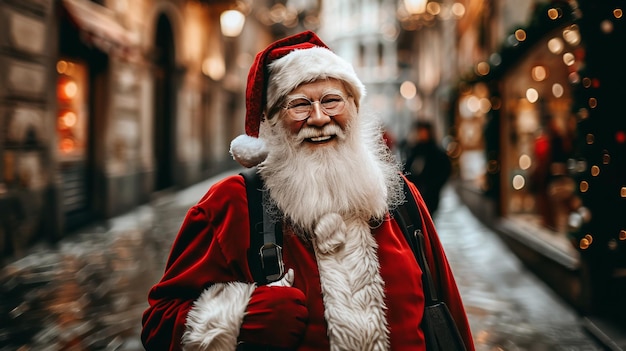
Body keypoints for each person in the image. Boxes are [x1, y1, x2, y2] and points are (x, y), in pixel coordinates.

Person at [141, 31, 474, 351]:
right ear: (272, 122)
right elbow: (159, 324)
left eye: (332, 100)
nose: (318, 117)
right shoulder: (232, 203)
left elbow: (451, 315)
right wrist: (240, 317)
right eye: (298, 105)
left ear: (354, 109)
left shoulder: (400, 197)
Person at [402, 121, 452, 216]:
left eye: (423, 132)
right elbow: (407, 168)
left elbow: (445, 171)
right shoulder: (415, 150)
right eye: (420, 132)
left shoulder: (436, 152)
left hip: (430, 194)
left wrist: (434, 186)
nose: (421, 135)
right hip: (415, 193)